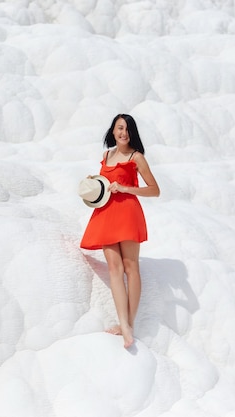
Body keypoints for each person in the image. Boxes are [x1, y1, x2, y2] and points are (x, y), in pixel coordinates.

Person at [80, 114, 160, 348]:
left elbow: (155, 190)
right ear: (113, 131)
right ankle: (123, 324)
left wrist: (126, 187)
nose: (123, 133)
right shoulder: (106, 155)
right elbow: (104, 185)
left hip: (127, 212)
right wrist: (93, 183)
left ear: (132, 132)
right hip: (105, 212)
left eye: (127, 129)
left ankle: (130, 324)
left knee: (130, 267)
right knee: (114, 268)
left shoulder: (137, 157)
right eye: (119, 128)